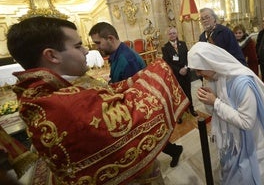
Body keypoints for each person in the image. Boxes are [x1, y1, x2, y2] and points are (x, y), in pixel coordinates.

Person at [6, 16, 189, 184]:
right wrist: (160, 70)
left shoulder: (46, 89)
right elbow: (129, 117)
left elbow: (108, 93)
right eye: (78, 46)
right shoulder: (56, 106)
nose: (86, 50)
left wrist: (139, 78)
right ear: (52, 55)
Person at [89, 22, 185, 168]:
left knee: (148, 138)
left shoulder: (127, 59)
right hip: (133, 107)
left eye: (98, 42)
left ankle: (172, 152)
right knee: (149, 138)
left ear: (110, 38)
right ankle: (174, 150)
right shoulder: (118, 55)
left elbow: (133, 91)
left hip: (137, 108)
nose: (97, 47)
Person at [187, 42, 264, 185]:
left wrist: (216, 102)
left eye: (199, 70)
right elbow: (217, 112)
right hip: (234, 143)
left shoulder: (242, 82)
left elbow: (247, 122)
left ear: (210, 63)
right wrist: (210, 101)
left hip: (253, 144)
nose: (199, 75)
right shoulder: (217, 78)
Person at [162, 27, 198, 118]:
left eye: (174, 33)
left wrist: (185, 68)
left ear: (177, 34)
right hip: (176, 75)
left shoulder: (183, 44)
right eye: (170, 33)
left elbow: (187, 57)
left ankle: (191, 109)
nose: (172, 35)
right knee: (178, 94)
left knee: (188, 92)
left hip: (186, 73)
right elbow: (168, 63)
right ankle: (181, 113)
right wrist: (179, 70)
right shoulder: (165, 48)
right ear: (168, 35)